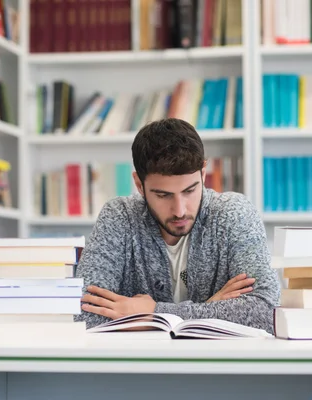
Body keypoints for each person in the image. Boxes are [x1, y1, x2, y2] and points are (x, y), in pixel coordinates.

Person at [74, 118, 280, 334]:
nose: (180, 210)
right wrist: (210, 309)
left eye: (190, 191)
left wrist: (155, 313)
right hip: (137, 364)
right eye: (163, 195)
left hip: (219, 365)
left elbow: (267, 312)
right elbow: (83, 315)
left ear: (202, 173)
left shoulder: (233, 214)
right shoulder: (119, 217)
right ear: (139, 184)